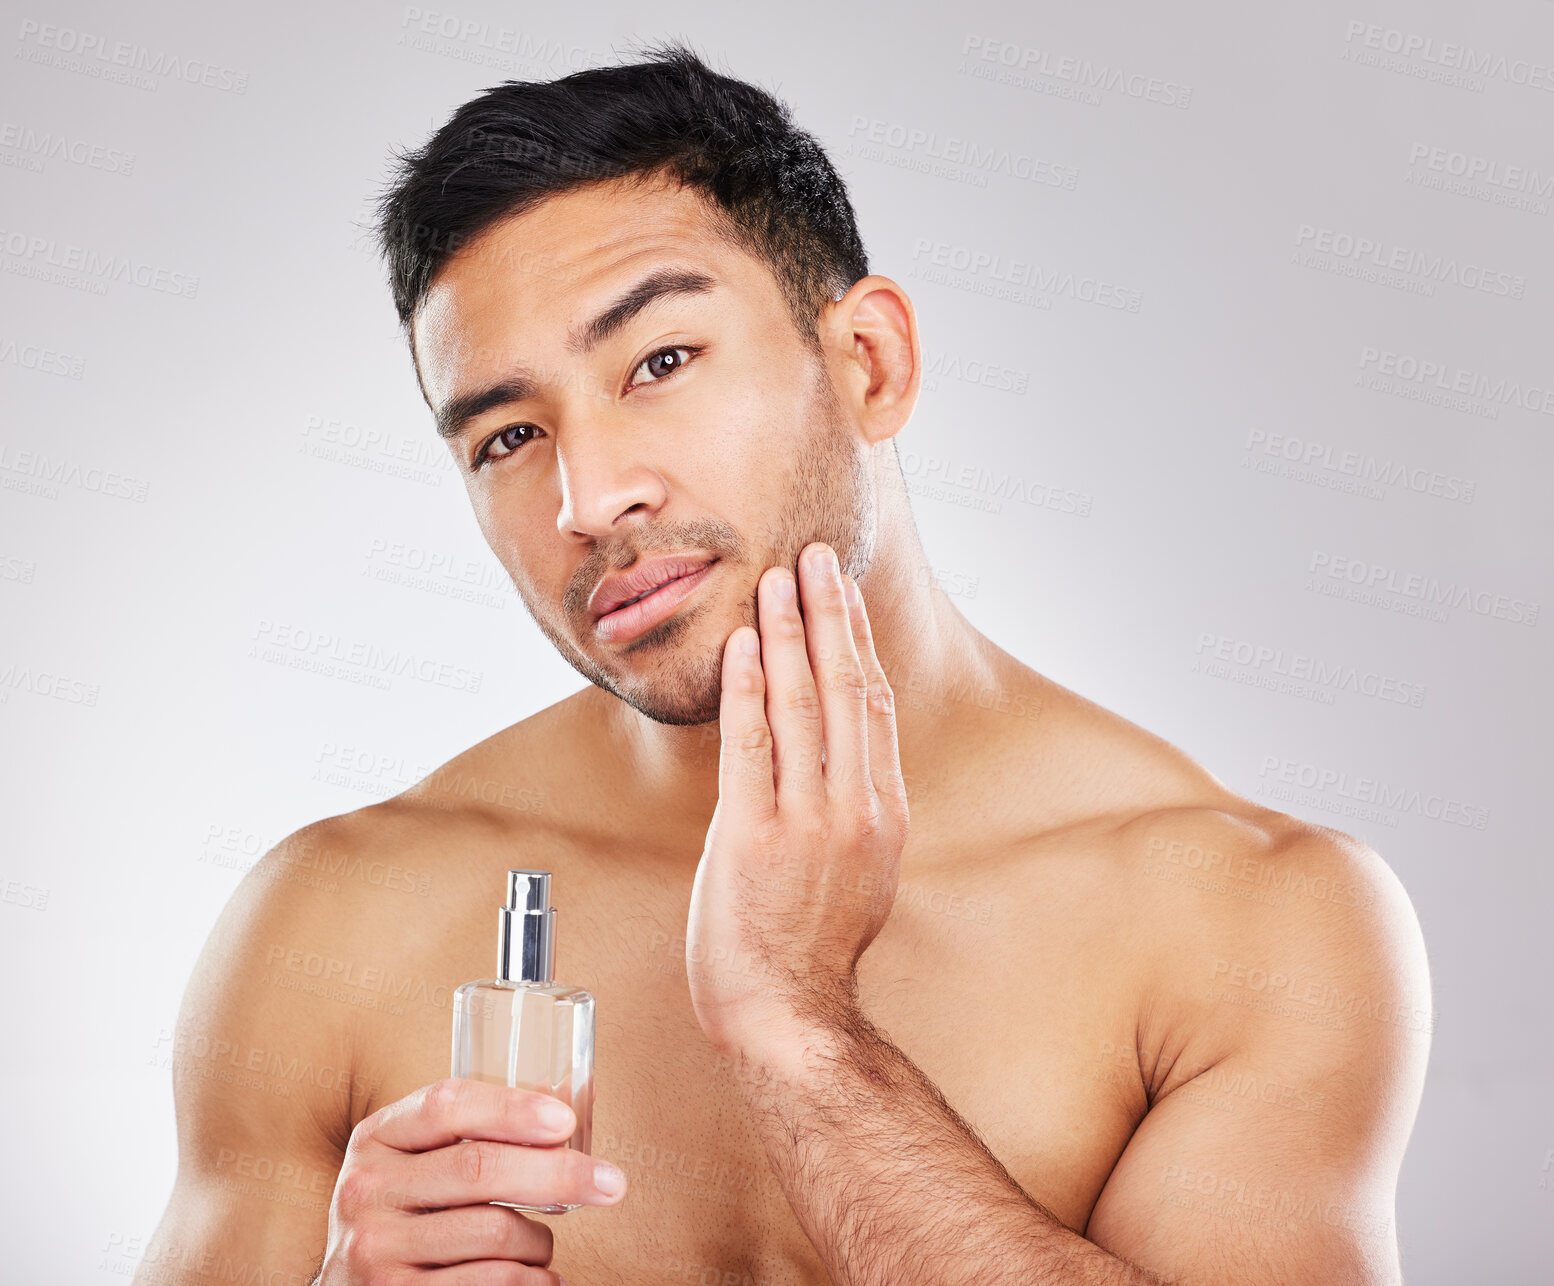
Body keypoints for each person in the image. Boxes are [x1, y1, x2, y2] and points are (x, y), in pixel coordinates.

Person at [139, 40, 1431, 1286]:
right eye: (508, 434)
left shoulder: (1251, 917)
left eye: (658, 361)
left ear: (868, 362)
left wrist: (800, 1029)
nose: (588, 494)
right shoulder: (337, 916)